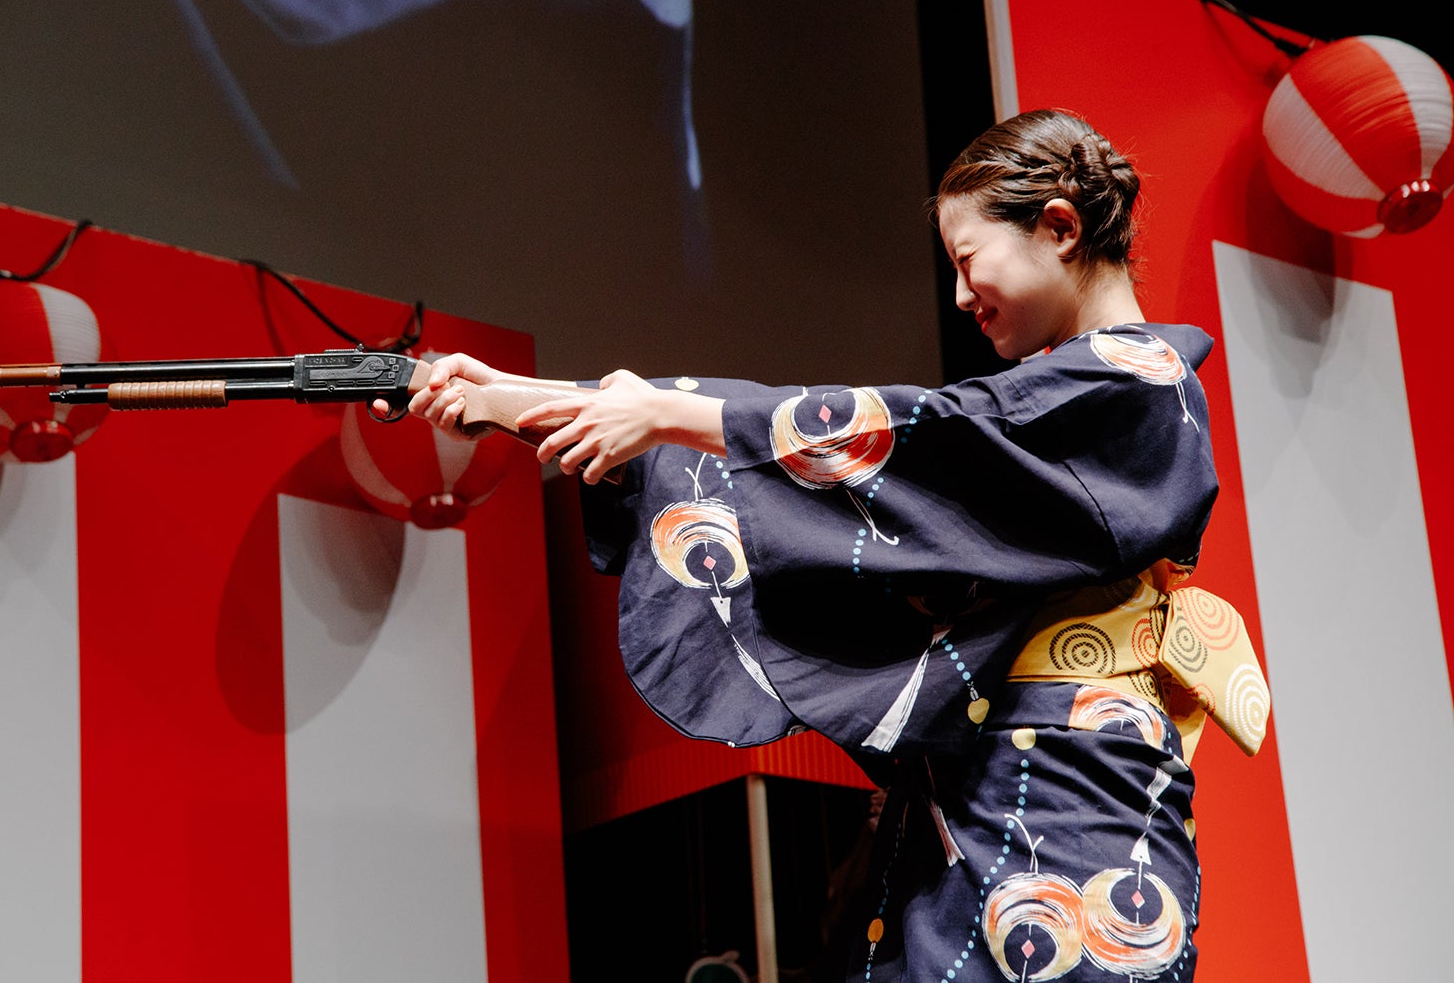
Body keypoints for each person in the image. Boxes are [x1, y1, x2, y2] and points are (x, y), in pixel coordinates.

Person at [406, 108, 1270, 982]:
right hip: (982, 796)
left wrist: (665, 412)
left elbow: (920, 432)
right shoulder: (1048, 404)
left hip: (1070, 804)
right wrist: (510, 394)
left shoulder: (1137, 383)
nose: (963, 298)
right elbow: (871, 445)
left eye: (969, 263)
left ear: (1059, 227)